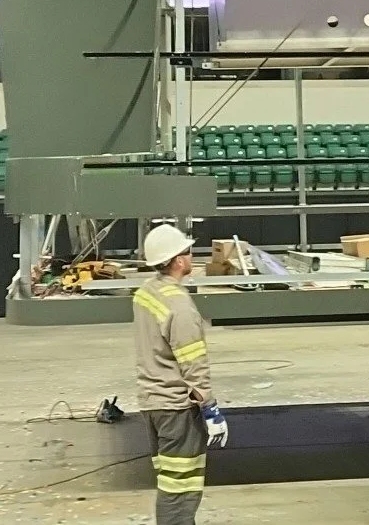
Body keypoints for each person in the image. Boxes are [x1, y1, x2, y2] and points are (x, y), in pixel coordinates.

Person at [134, 224, 227, 525]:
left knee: (169, 482)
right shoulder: (179, 305)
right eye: (187, 251)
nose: (191, 255)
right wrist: (210, 408)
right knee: (181, 490)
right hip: (176, 410)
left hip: (152, 404)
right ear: (177, 261)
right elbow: (193, 365)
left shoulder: (146, 292)